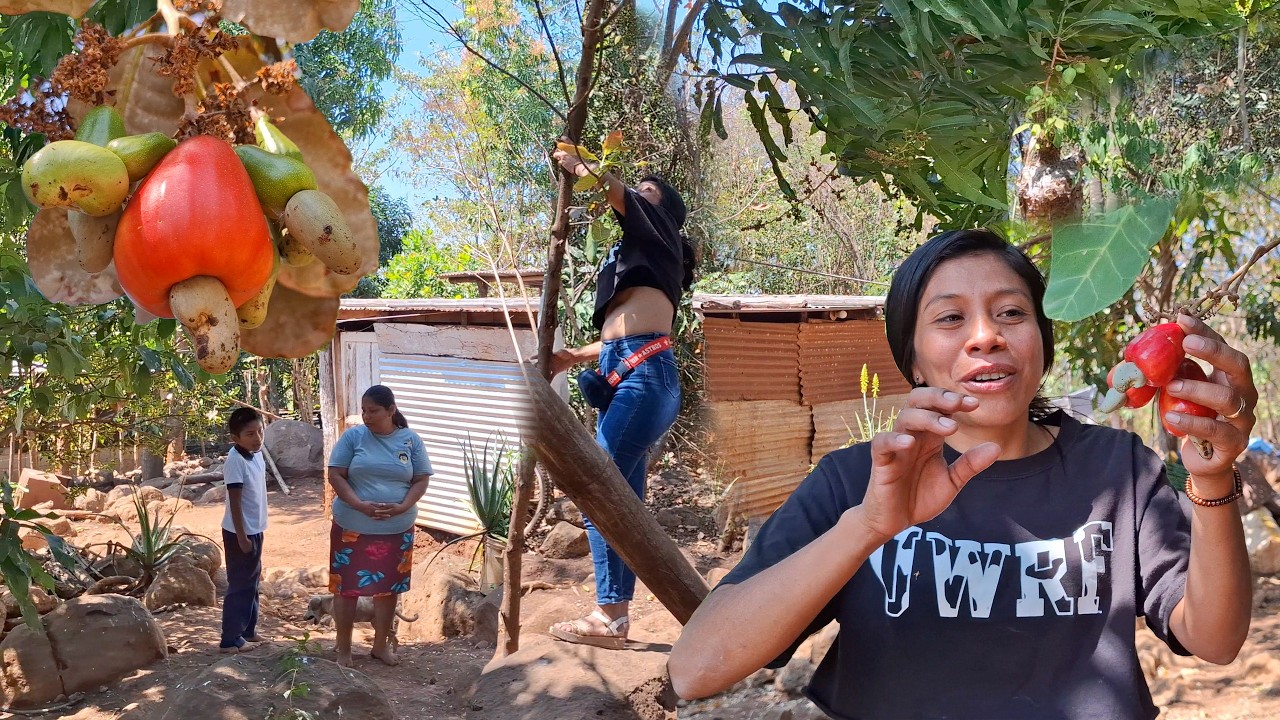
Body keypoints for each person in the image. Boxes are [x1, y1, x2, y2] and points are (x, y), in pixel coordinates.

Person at [668, 229, 1255, 718]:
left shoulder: (1118, 470)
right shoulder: (854, 481)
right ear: (913, 358)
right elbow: (696, 669)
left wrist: (1210, 483)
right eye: (950, 318)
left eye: (1011, 313)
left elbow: (1215, 639)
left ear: (1041, 343)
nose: (986, 337)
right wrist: (869, 526)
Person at [545, 141, 695, 648]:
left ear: (664, 215)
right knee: (620, 500)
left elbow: (622, 194)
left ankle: (609, 614)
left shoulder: (661, 234)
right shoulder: (638, 254)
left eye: (647, 193)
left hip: (645, 374)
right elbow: (620, 329)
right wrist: (573, 358)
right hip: (627, 368)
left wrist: (586, 169)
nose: (636, 195)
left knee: (598, 490)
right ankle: (620, 615)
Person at [326, 385, 432, 667]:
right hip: (352, 526)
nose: (366, 416)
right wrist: (359, 504)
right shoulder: (353, 438)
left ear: (391, 410)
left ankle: (381, 646)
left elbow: (421, 478)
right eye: (364, 410)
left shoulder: (410, 440)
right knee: (346, 588)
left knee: (389, 589)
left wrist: (403, 506)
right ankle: (344, 650)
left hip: (396, 529)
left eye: (373, 411)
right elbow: (335, 475)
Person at [219, 407, 268, 653]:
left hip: (256, 527)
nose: (257, 438)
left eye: (260, 431)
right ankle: (230, 638)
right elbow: (235, 502)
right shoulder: (235, 461)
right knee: (240, 583)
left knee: (253, 580)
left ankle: (248, 629)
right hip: (240, 531)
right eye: (250, 434)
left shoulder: (256, 454)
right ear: (235, 438)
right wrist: (242, 537)